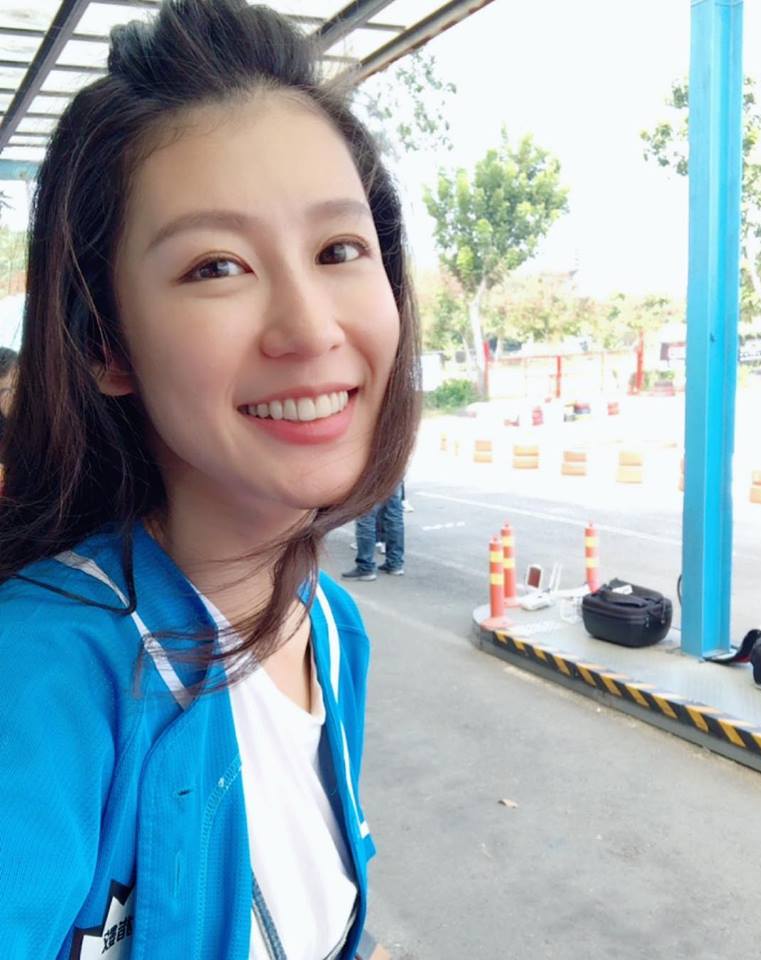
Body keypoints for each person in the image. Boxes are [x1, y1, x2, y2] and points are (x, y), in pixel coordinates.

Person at [0, 2, 420, 958]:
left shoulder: (330, 631)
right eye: (216, 266)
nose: (310, 328)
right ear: (106, 343)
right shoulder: (38, 678)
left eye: (339, 250)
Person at [343, 485, 405, 581]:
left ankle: (365, 567)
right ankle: (395, 563)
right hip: (394, 476)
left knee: (366, 516)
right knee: (394, 516)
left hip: (371, 478)